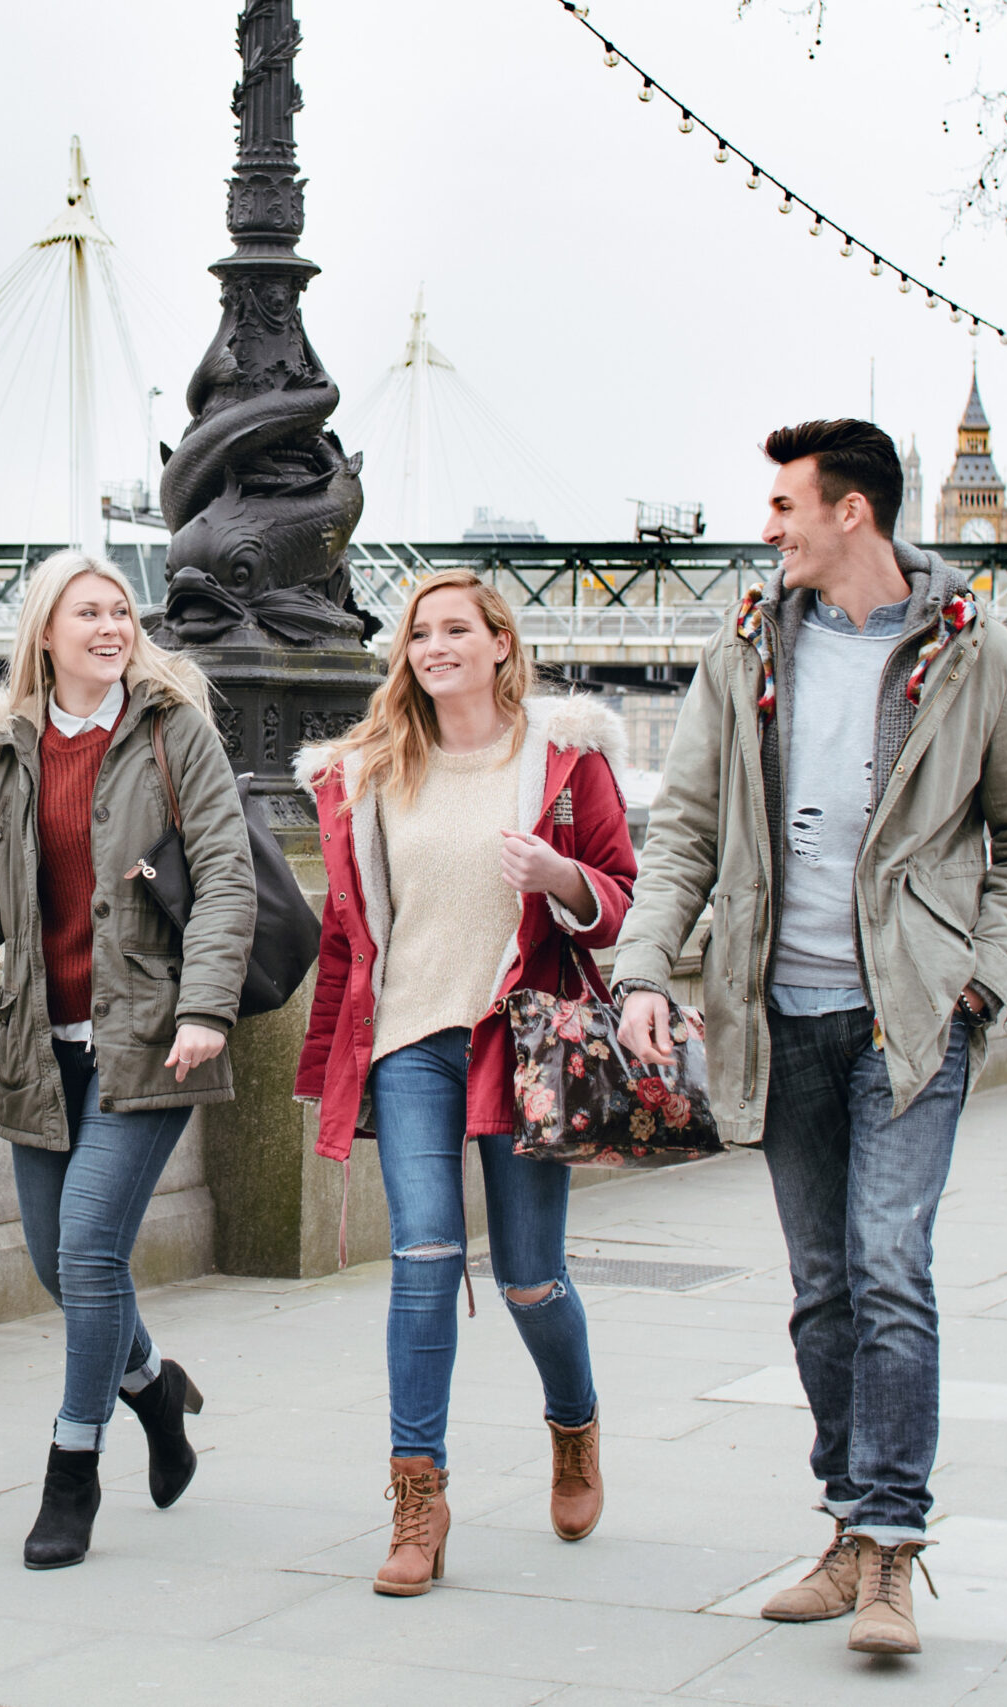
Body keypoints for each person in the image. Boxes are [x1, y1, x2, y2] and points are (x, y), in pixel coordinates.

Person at [614, 419, 1007, 1656]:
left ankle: (891, 1554)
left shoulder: (974, 658)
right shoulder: (748, 646)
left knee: (887, 1268)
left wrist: (981, 979)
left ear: (850, 513)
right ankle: (849, 1524)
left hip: (911, 1024)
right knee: (821, 1293)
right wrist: (645, 962)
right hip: (781, 1016)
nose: (766, 528)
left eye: (782, 505)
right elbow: (690, 830)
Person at [292, 570, 639, 1597]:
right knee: (423, 1258)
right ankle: (417, 1498)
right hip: (409, 1041)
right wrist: (327, 1058)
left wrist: (560, 878)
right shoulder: (365, 774)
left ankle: (571, 1426)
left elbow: (622, 899)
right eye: (418, 634)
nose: (434, 646)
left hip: (521, 1037)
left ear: (497, 643)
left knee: (531, 1277)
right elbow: (346, 936)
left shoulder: (566, 762)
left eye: (455, 629)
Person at [0, 549, 257, 1570]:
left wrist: (205, 1008)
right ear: (45, 634)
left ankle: (72, 1473)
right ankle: (153, 1389)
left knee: (91, 1253)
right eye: (87, 613)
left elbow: (228, 879)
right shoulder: (7, 752)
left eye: (121, 610)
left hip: (146, 1043)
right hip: (35, 1046)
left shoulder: (171, 733)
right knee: (54, 1264)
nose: (111, 626)